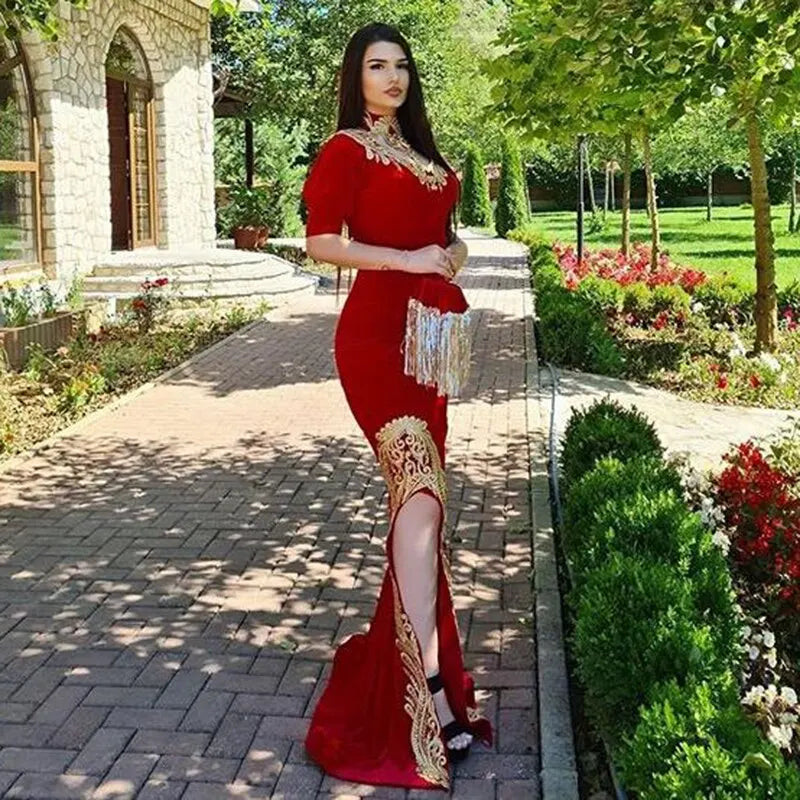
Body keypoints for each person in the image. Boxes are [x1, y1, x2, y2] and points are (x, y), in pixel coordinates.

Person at [301, 21, 493, 792]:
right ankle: (432, 694)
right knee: (416, 501)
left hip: (431, 348)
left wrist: (452, 256)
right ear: (356, 75)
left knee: (429, 511)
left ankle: (423, 666)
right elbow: (319, 241)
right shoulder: (346, 148)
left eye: (402, 65)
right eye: (378, 66)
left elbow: (449, 237)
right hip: (377, 345)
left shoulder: (422, 153)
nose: (394, 76)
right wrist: (404, 260)